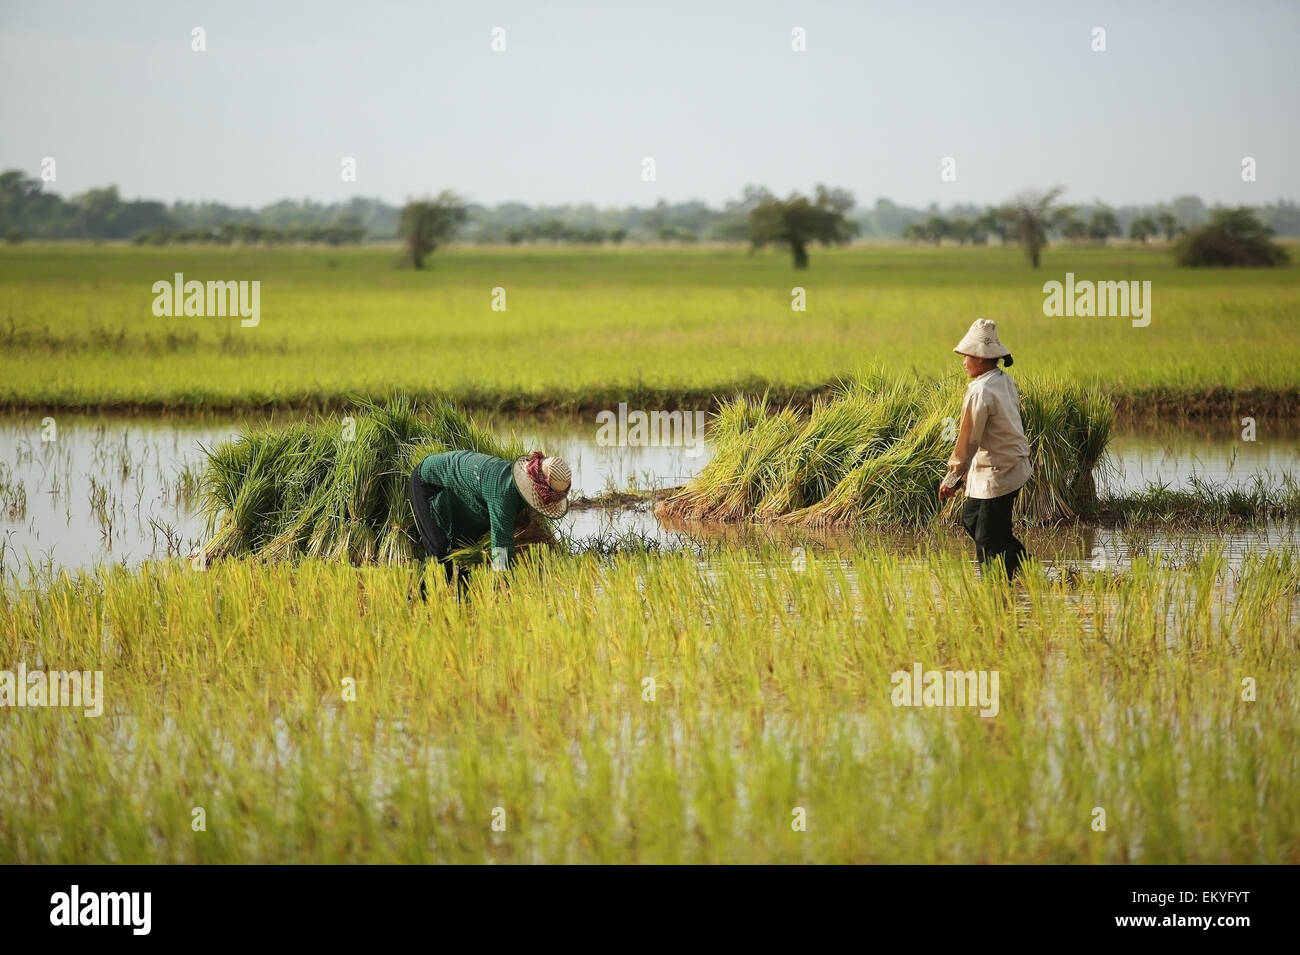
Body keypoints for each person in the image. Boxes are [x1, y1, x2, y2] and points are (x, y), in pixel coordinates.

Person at [937, 319, 1032, 580]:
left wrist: (952, 478)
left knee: (987, 536)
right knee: (972, 518)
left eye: (967, 355)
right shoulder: (1002, 380)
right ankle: (1025, 569)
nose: (964, 361)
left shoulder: (981, 391)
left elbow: (969, 439)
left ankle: (995, 587)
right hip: (1003, 465)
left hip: (1001, 470)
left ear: (980, 358)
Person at [409, 449, 571, 598]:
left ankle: (463, 608)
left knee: (463, 554)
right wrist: (503, 584)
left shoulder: (516, 491)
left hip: (460, 497)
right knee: (440, 553)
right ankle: (415, 601)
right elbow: (501, 545)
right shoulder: (504, 493)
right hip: (428, 482)